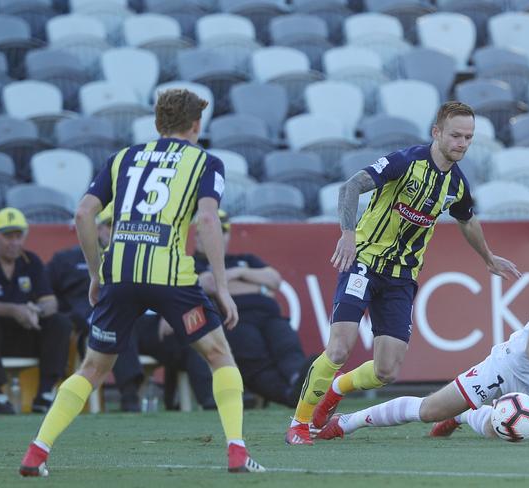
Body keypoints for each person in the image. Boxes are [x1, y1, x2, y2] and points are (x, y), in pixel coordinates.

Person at [19, 88, 265, 476]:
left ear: (157, 124)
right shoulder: (207, 162)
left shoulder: (123, 158)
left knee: (92, 369)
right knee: (219, 355)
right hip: (171, 278)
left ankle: (37, 452)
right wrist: (220, 284)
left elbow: (84, 213)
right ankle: (236, 451)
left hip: (120, 275)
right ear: (197, 125)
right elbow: (206, 220)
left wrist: (98, 271)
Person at [285, 101, 521, 445]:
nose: (462, 143)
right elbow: (350, 187)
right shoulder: (405, 162)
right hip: (364, 261)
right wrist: (348, 235)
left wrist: (487, 257)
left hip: (402, 277)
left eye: (469, 137)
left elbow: (466, 219)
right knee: (339, 348)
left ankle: (336, 389)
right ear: (436, 132)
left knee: (386, 371)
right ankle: (300, 423)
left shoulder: (455, 184)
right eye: (456, 135)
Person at [317, 233, 529, 442]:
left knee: (507, 433)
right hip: (510, 364)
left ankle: (467, 417)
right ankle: (347, 422)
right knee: (429, 410)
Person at [48, 211, 215, 412]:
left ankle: (209, 401)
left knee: (189, 332)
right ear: (97, 229)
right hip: (102, 322)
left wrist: (170, 315)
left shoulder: (145, 254)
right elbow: (47, 296)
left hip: (149, 323)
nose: (115, 231)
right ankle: (130, 398)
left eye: (121, 225)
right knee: (120, 323)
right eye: (110, 225)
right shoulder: (67, 260)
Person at [194, 210, 313, 408]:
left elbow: (274, 280)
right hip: (233, 318)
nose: (215, 236)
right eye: (206, 231)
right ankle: (290, 395)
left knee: (287, 344)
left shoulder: (245, 259)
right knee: (254, 355)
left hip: (269, 316)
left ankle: (299, 384)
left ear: (228, 235)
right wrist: (256, 285)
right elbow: (209, 285)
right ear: (197, 236)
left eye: (222, 231)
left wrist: (238, 273)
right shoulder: (193, 263)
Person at [0, 207, 73, 414]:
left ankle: (45, 394)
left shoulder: (32, 261)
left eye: (19, 236)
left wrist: (34, 310)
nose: (14, 242)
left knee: (60, 322)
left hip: (27, 335)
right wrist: (14, 310)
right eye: (8, 236)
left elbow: (50, 303)